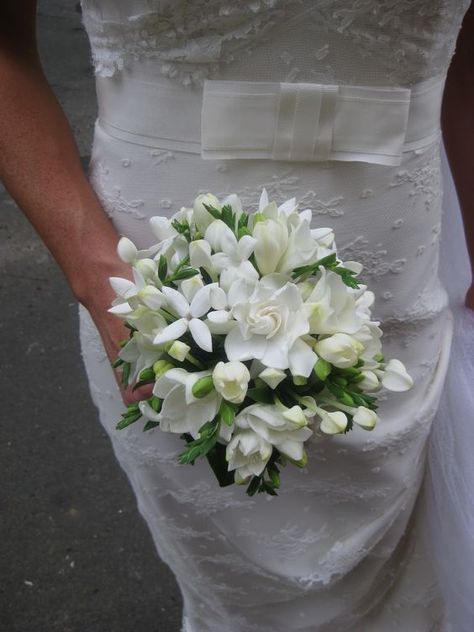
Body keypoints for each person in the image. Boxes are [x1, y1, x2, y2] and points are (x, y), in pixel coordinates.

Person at [1, 1, 473, 630]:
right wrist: (93, 273)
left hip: (395, 281)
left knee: (393, 570)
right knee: (236, 587)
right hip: (158, 293)